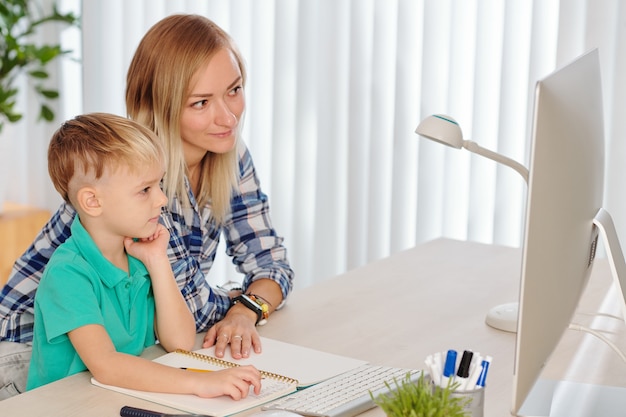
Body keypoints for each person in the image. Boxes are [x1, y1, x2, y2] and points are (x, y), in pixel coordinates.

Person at [0, 14, 294, 399]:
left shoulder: (227, 154)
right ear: (161, 105)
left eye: (235, 89)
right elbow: (199, 311)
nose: (228, 116)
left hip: (122, 347)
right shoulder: (136, 180)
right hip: (34, 356)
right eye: (201, 102)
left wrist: (244, 310)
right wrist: (238, 301)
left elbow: (271, 263)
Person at [26, 112, 261, 398]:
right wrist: (202, 384)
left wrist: (157, 261)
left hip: (120, 396)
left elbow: (180, 341)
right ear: (92, 201)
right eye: (145, 190)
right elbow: (107, 366)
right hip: (65, 406)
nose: (161, 199)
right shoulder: (68, 274)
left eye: (159, 185)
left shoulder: (139, 252)